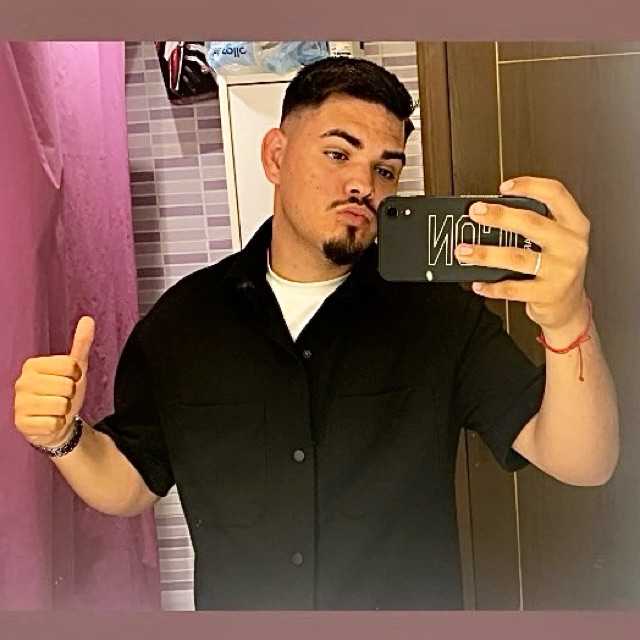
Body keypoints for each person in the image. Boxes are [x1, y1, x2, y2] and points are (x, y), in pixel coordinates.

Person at [13, 57, 619, 610]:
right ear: (276, 156)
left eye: (385, 169)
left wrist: (568, 319)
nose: (364, 185)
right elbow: (130, 481)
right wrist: (65, 437)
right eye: (337, 154)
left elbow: (582, 460)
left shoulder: (438, 316)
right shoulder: (183, 324)